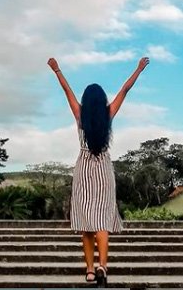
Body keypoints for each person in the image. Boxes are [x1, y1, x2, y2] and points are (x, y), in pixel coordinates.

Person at [47, 56, 150, 287]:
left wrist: (57, 70)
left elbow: (66, 90)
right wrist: (138, 69)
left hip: (84, 168)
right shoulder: (108, 115)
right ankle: (104, 265)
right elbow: (125, 90)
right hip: (103, 168)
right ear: (102, 100)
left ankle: (91, 271)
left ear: (86, 100)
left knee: (86, 225)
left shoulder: (80, 115)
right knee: (102, 221)